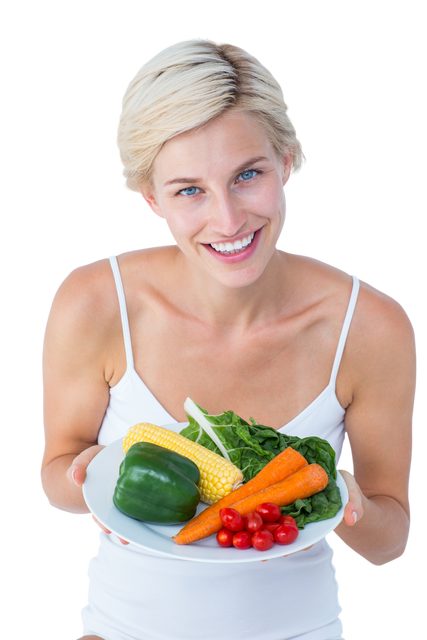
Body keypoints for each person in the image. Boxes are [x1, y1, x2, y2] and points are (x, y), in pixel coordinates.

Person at [39, 35, 417, 640]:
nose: (228, 220)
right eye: (189, 189)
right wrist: (85, 477)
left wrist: (345, 505)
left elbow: (388, 543)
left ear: (287, 160)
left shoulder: (371, 327)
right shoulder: (93, 302)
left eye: (247, 175)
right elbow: (56, 478)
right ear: (151, 197)